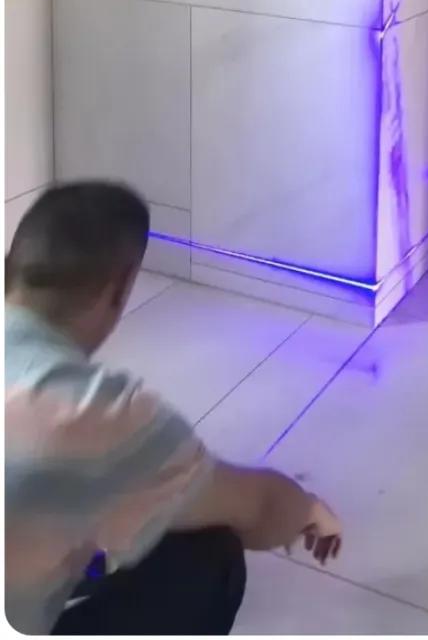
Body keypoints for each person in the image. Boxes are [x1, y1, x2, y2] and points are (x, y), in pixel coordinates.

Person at [5, 182, 344, 635]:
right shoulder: (94, 414)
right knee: (209, 555)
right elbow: (258, 508)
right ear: (119, 290)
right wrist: (307, 508)